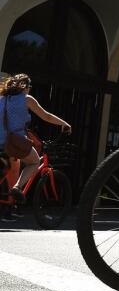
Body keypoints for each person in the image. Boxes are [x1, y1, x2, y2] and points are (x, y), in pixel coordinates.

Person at [0, 74, 72, 204]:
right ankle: (17, 188)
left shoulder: (2, 98)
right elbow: (46, 116)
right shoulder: (26, 99)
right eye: (29, 86)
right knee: (34, 162)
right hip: (13, 142)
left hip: (1, 141)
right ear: (25, 87)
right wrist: (64, 124)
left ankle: (9, 205)